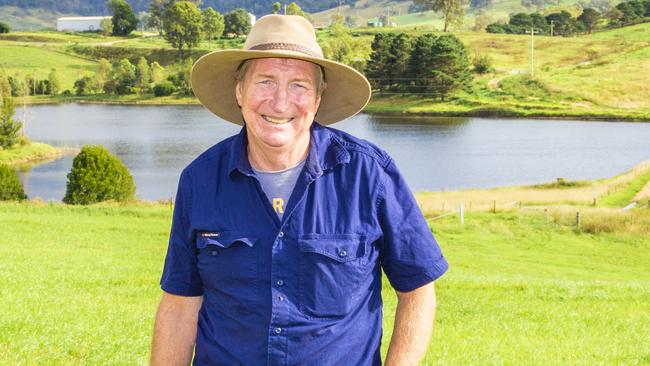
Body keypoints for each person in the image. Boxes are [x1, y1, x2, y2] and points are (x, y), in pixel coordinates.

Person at [151, 14, 448, 366]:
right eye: (265, 82)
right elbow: (180, 305)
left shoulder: (370, 174)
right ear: (239, 91)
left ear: (318, 98)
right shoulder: (199, 180)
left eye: (299, 86)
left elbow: (417, 291)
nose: (280, 103)